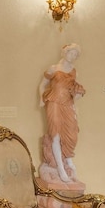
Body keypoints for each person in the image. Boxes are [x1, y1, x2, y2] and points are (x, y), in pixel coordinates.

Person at [38, 43, 86, 182]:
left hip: (68, 104)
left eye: (76, 55)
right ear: (65, 52)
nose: (73, 56)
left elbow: (75, 90)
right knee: (56, 135)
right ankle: (60, 167)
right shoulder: (53, 69)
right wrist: (41, 100)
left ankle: (69, 160)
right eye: (72, 53)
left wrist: (76, 103)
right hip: (53, 103)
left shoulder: (74, 72)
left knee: (72, 133)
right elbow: (42, 85)